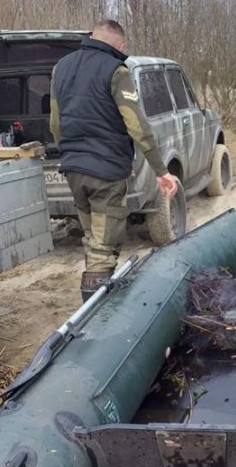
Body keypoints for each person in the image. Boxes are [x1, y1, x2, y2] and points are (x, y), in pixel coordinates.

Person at [49, 19, 178, 301]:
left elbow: (56, 123)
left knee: (92, 240)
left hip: (74, 170)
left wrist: (69, 153)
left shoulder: (61, 67)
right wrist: (161, 170)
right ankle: (98, 313)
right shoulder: (116, 70)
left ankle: (93, 302)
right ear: (120, 45)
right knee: (104, 248)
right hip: (106, 172)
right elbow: (136, 125)